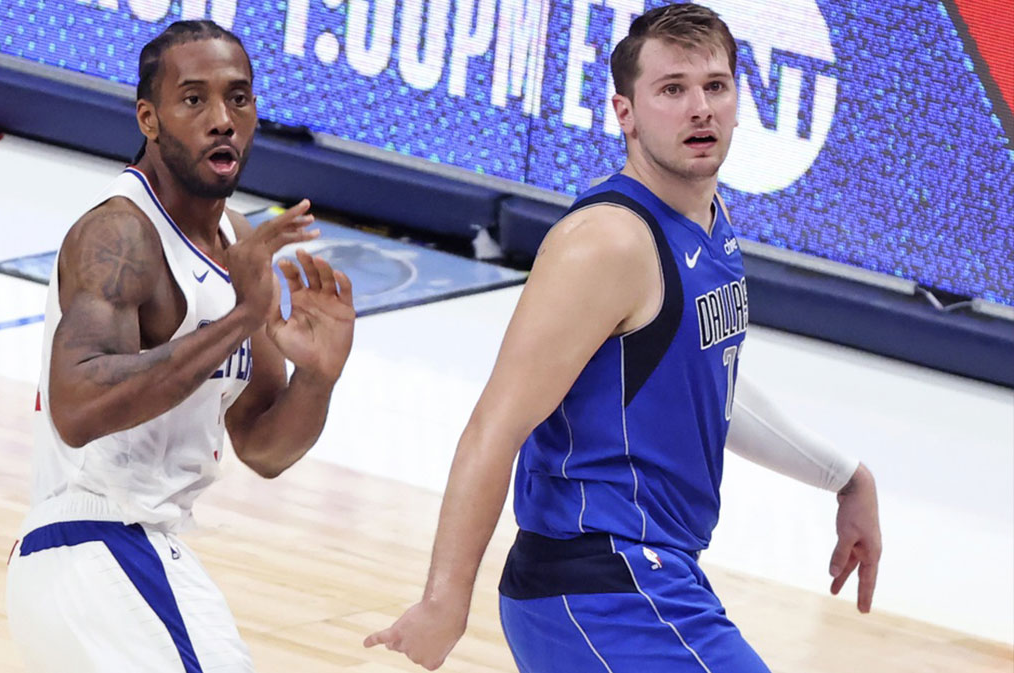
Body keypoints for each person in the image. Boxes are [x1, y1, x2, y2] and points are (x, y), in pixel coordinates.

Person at [364, 4, 881, 671]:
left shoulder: (711, 222)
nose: (700, 108)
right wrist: (444, 600)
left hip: (655, 576)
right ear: (624, 112)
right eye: (672, 89)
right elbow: (495, 426)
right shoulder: (607, 243)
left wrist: (845, 476)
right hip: (601, 584)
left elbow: (704, 379)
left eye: (715, 86)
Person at [5, 20, 356, 672]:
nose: (222, 119)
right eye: (194, 99)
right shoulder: (119, 234)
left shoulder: (235, 236)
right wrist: (237, 319)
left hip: (136, 555)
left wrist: (318, 378)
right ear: (150, 117)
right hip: (98, 544)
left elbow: (262, 445)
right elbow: (77, 405)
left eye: (238, 98)